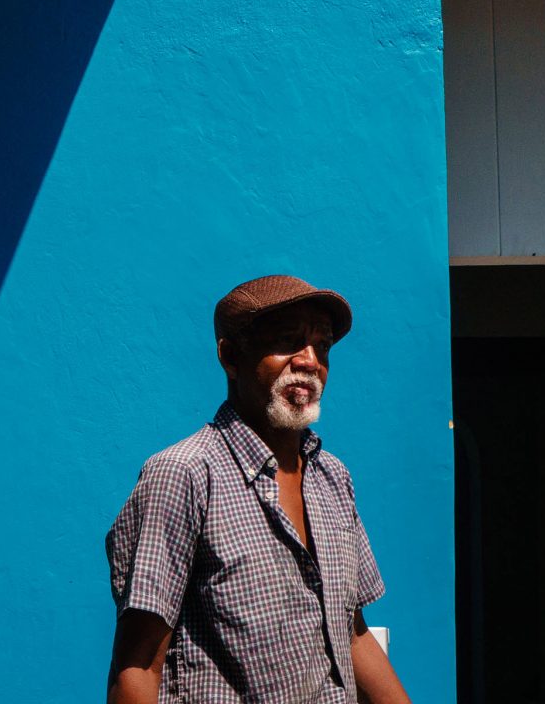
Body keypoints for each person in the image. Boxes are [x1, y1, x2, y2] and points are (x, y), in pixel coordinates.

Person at [105, 275, 411, 703]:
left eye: (321, 346)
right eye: (288, 341)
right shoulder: (184, 475)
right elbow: (136, 670)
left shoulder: (332, 477)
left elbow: (352, 633)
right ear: (231, 357)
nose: (309, 361)